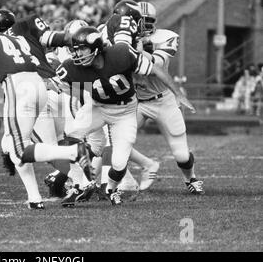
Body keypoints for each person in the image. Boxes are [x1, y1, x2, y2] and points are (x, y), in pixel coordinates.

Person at [0, 14, 91, 209]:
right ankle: (35, 199)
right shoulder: (15, 38)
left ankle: (75, 156)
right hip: (41, 85)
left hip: (19, 86)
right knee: (14, 145)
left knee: (20, 149)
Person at [56, 26, 195, 206]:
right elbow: (53, 82)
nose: (78, 54)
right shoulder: (71, 67)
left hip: (125, 112)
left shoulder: (120, 54)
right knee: (70, 136)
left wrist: (178, 93)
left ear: (96, 48)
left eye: (82, 49)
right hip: (99, 108)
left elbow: (157, 70)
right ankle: (78, 184)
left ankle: (112, 189)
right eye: (76, 49)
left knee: (119, 162)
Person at [125, 2, 204, 194]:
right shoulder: (121, 38)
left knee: (182, 155)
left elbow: (155, 66)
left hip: (163, 100)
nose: (144, 26)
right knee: (115, 142)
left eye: (148, 21)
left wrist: (136, 49)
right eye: (140, 21)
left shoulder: (166, 37)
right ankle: (126, 179)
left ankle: (190, 178)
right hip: (136, 101)